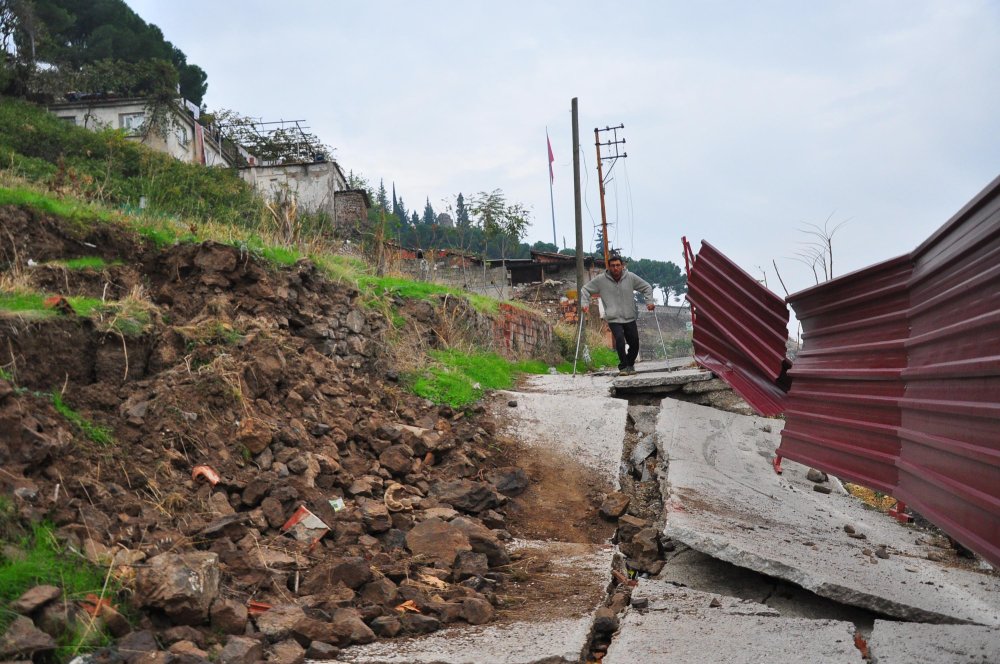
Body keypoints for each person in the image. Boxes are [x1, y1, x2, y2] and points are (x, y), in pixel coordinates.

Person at [581, 253, 655, 375]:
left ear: (622, 266)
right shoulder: (601, 280)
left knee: (634, 343)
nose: (615, 268)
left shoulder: (630, 277)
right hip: (613, 317)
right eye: (613, 266)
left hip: (629, 316)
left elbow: (646, 287)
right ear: (609, 267)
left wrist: (649, 302)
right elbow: (585, 289)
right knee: (620, 340)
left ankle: (630, 364)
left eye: (618, 265)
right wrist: (585, 304)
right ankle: (623, 367)